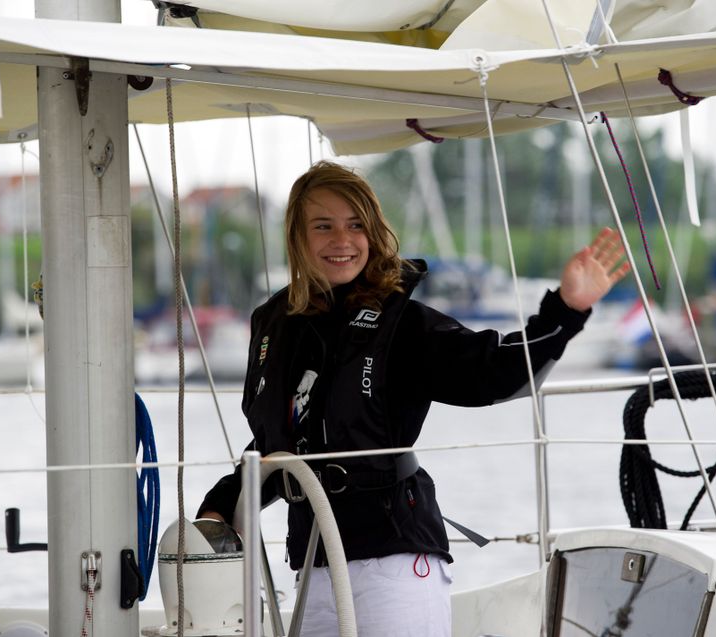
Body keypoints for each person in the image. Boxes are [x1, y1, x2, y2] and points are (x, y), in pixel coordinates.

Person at [198, 160, 629, 637]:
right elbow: (272, 450)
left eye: (355, 225)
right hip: (313, 564)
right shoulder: (273, 324)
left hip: (395, 559)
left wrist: (566, 311)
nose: (342, 240)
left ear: (374, 232)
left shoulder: (402, 322)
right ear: (297, 237)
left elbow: (496, 372)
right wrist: (218, 509)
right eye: (324, 227)